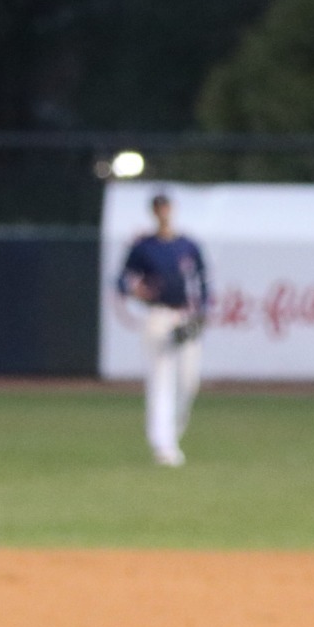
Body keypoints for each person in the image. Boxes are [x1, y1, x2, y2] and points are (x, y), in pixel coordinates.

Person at [116, 193, 209, 467]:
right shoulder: (144, 246)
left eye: (166, 207)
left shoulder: (187, 245)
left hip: (183, 315)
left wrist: (201, 311)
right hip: (157, 315)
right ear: (153, 213)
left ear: (173, 210)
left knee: (188, 381)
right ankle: (163, 444)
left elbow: (203, 279)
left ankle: (172, 434)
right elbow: (123, 280)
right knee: (160, 380)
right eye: (159, 208)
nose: (163, 212)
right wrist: (136, 290)